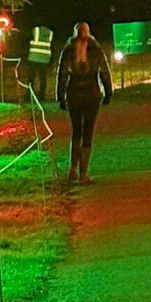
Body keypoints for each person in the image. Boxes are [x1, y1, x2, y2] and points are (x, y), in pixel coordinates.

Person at [57, 22, 113, 183]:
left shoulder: (68, 50)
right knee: (88, 131)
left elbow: (62, 75)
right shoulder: (95, 49)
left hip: (73, 92)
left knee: (76, 130)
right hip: (92, 92)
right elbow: (104, 71)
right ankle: (83, 174)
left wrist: (60, 96)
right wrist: (108, 92)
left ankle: (72, 169)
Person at [27, 24, 54, 101]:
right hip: (44, 59)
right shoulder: (50, 33)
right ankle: (42, 96)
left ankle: (29, 95)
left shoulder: (35, 30)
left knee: (31, 78)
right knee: (42, 78)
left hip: (33, 57)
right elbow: (52, 46)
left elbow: (26, 39)